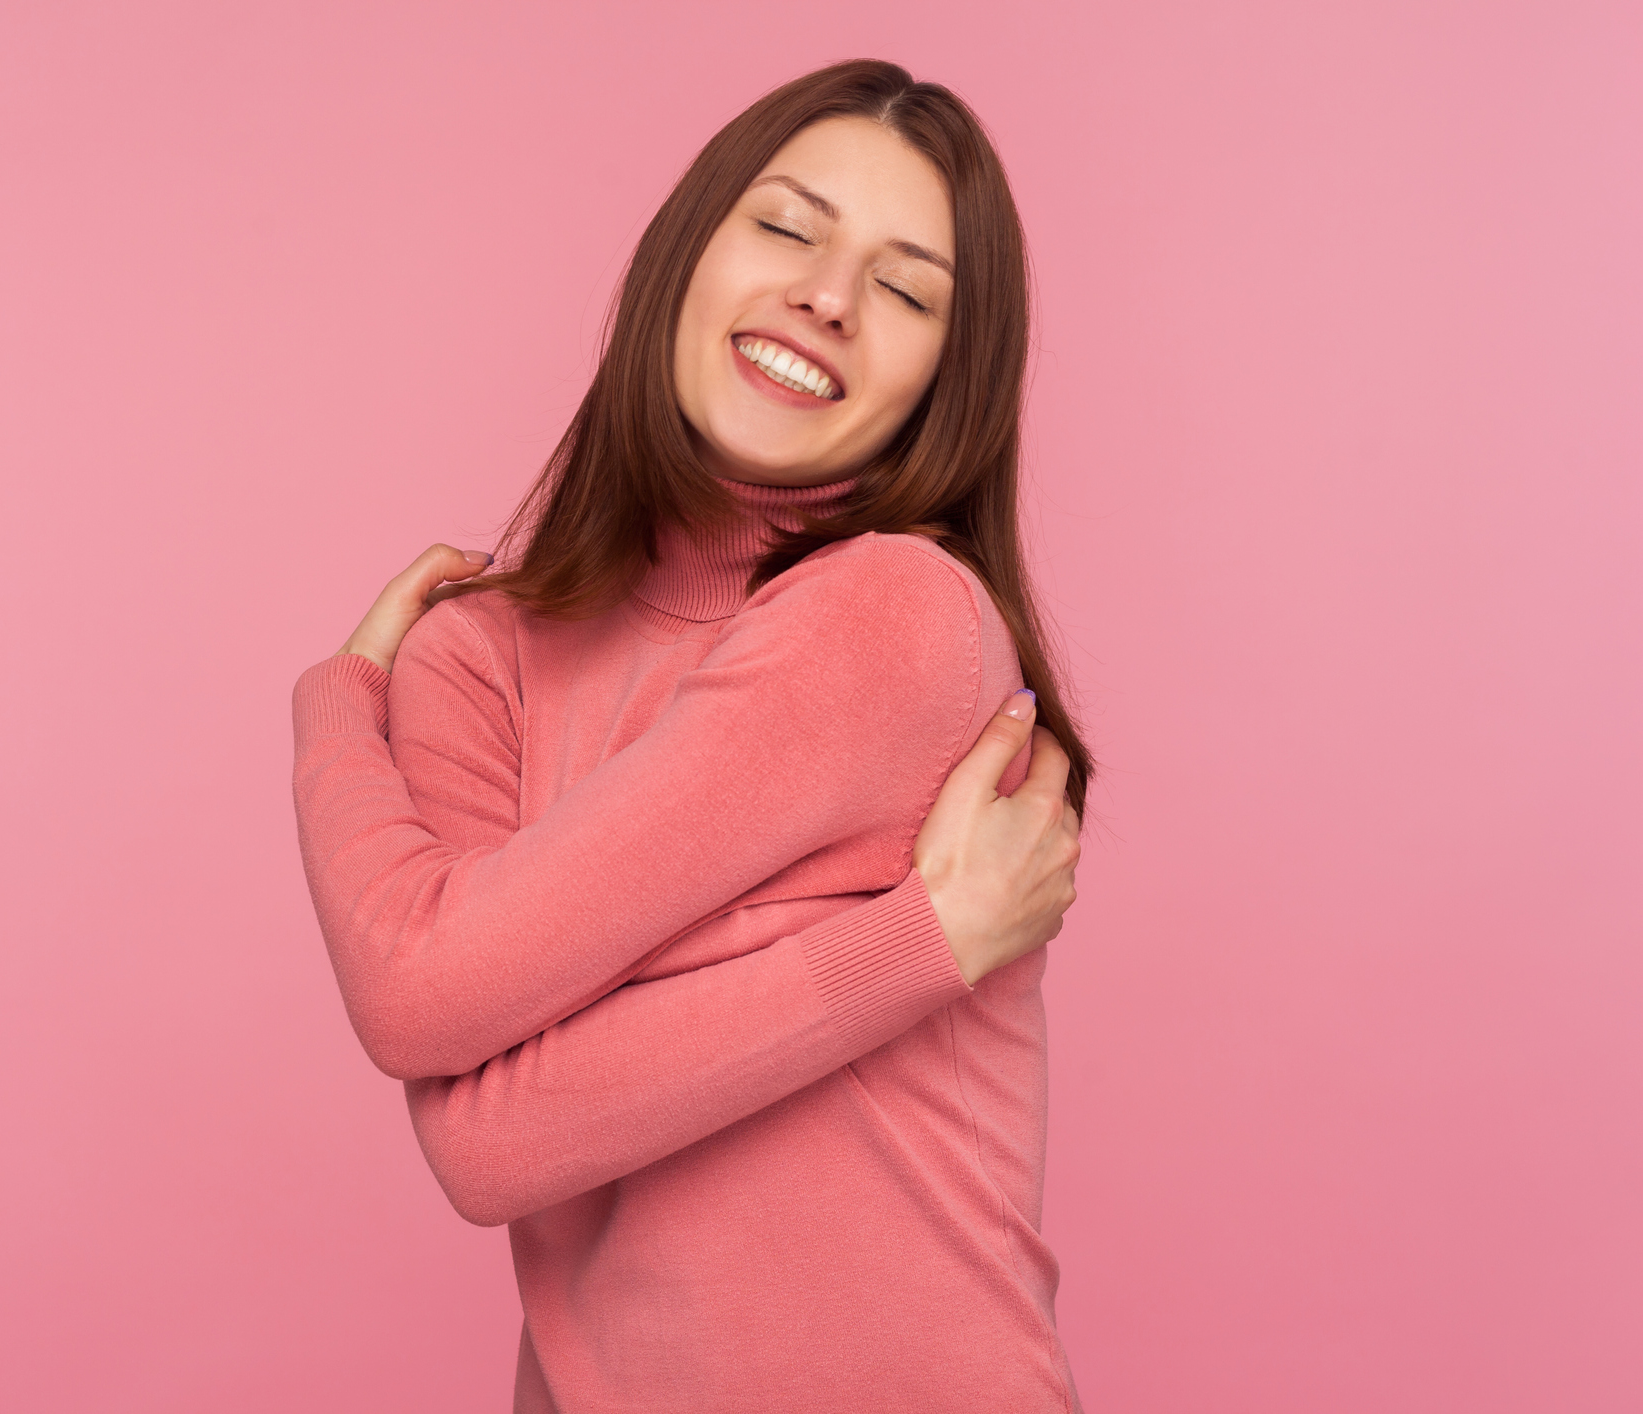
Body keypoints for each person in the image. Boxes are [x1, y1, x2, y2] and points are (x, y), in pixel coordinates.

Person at [292, 59, 1092, 1413]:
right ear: (687, 251)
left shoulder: (895, 616)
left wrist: (547, 1010)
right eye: (785, 227)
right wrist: (332, 698)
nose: (825, 296)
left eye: (902, 291)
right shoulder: (475, 655)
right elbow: (461, 1087)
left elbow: (474, 1073)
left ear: (939, 387)